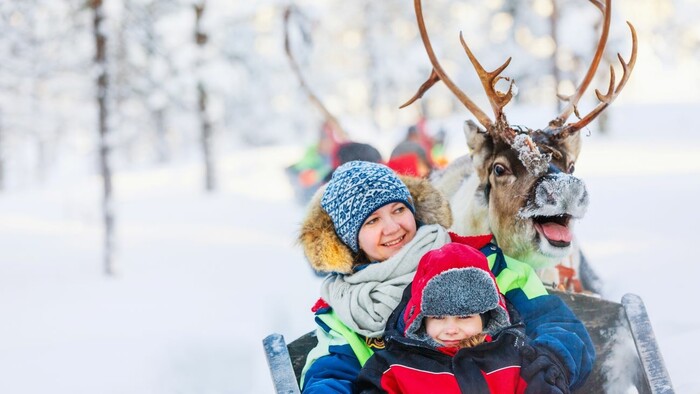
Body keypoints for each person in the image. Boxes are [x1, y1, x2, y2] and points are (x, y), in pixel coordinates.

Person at [298, 161, 594, 393]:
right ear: (350, 240)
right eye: (373, 220)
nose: (392, 227)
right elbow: (330, 374)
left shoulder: (481, 262)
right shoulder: (343, 313)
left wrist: (540, 380)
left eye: (398, 210)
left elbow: (558, 327)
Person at [356, 242, 529, 393]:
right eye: (438, 317)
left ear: (486, 317)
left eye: (464, 316)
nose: (451, 330)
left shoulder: (513, 359)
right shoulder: (392, 368)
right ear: (421, 321)